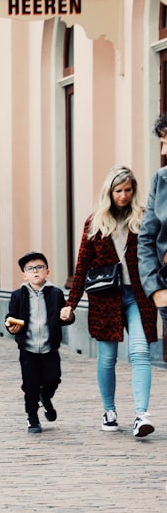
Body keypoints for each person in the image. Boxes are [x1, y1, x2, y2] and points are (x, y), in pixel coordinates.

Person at [61, 165, 156, 437]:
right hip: (106, 299)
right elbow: (82, 266)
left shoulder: (143, 219)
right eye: (118, 190)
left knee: (140, 353)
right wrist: (70, 303)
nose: (124, 195)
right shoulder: (95, 223)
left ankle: (141, 415)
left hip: (139, 296)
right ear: (109, 192)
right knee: (108, 358)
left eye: (128, 190)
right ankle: (109, 410)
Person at [5, 252, 74, 433]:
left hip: (49, 346)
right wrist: (11, 326)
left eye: (39, 267)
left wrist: (68, 315)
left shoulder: (56, 293)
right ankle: (32, 417)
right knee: (30, 384)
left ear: (47, 271)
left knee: (53, 378)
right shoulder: (18, 295)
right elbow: (11, 317)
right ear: (24, 274)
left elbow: (64, 317)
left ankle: (46, 396)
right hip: (27, 348)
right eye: (30, 269)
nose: (35, 272)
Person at [138, 114, 167, 331]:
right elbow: (146, 239)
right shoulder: (161, 179)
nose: (163, 152)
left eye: (166, 143)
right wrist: (155, 289)